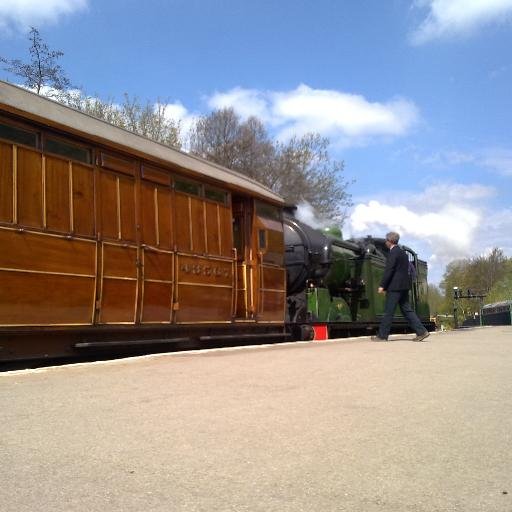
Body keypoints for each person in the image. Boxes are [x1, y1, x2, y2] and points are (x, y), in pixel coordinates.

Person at [371, 231, 430, 342]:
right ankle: (422, 331)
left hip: (395, 287)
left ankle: (382, 336)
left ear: (390, 241)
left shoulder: (393, 253)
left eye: (386, 240)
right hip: (403, 287)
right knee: (407, 310)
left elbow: (390, 270)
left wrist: (382, 285)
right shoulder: (402, 252)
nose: (385, 243)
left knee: (388, 311)